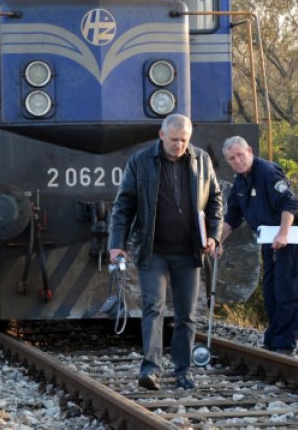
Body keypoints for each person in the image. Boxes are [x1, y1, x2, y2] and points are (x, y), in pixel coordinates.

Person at [108, 114, 222, 391]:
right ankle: (151, 368)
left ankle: (183, 370)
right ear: (161, 136)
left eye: (184, 140)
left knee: (187, 314)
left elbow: (216, 201)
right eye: (174, 140)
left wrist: (214, 237)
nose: (179, 145)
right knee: (154, 308)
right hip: (153, 250)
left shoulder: (201, 160)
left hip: (189, 252)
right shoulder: (140, 161)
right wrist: (116, 243)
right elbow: (124, 205)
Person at [218, 136, 298, 354]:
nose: (237, 160)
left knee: (287, 290)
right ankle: (274, 336)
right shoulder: (240, 181)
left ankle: (285, 342)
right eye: (232, 158)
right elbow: (232, 217)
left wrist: (283, 234)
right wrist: (215, 241)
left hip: (287, 236)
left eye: (240, 155)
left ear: (249, 151)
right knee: (270, 291)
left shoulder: (267, 172)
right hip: (267, 238)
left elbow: (290, 203)